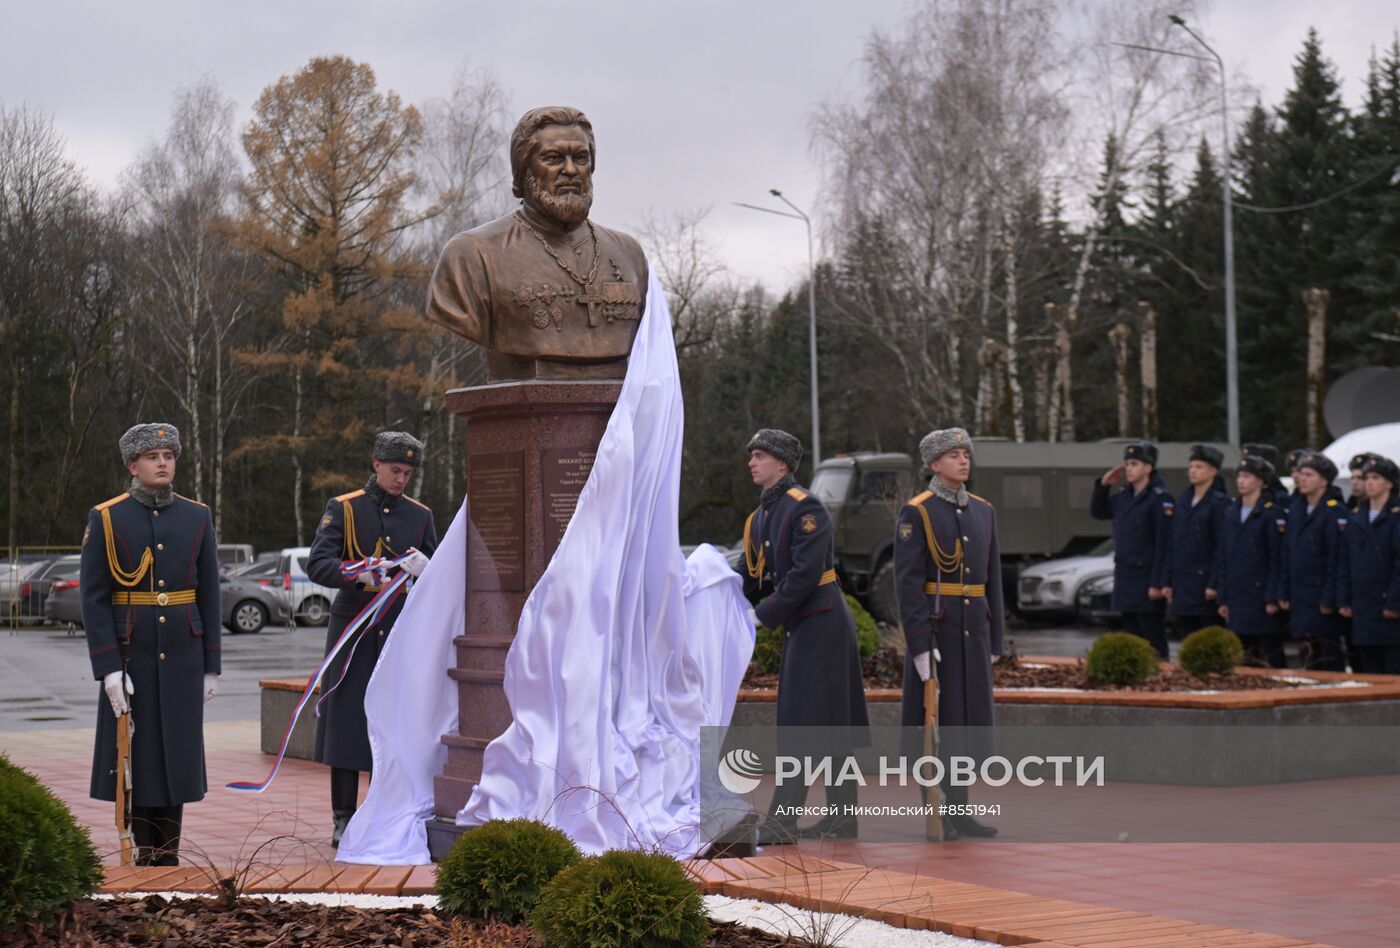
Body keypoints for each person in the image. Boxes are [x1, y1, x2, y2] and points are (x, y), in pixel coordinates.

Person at [81, 423, 221, 866]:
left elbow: (210, 593)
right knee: (136, 752)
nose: (163, 463)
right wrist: (107, 667)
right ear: (132, 465)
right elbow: (95, 596)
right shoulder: (107, 517)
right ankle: (145, 850)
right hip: (132, 652)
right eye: (153, 456)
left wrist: (211, 665)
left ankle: (169, 852)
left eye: (169, 455)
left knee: (176, 750)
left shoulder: (197, 515)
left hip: (183, 650)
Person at [425, 106, 648, 381]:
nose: (570, 170)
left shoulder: (629, 254)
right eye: (553, 158)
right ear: (524, 169)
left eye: (580, 158)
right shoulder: (473, 255)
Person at [740, 428, 869, 843]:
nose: (752, 462)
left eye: (759, 455)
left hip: (823, 622)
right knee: (826, 724)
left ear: (782, 463)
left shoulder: (804, 507)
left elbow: (804, 576)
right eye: (752, 456)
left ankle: (783, 820)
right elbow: (751, 572)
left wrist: (763, 616)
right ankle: (842, 817)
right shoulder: (762, 515)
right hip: (806, 623)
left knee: (803, 724)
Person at [309, 431, 438, 846]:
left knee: (396, 721)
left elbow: (439, 580)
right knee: (347, 722)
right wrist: (356, 573)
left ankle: (388, 806)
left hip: (399, 629)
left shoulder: (420, 516)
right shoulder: (344, 509)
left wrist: (426, 568)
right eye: (395, 470)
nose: (401, 479)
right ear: (376, 465)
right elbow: (319, 564)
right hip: (354, 628)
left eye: (408, 472)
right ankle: (343, 815)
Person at [894, 427, 1003, 840]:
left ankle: (961, 810)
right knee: (934, 726)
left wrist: (995, 639)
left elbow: (992, 580)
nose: (963, 460)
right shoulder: (917, 512)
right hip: (938, 634)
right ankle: (937, 812)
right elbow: (907, 585)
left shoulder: (983, 510)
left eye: (966, 453)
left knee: (965, 726)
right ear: (934, 464)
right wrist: (920, 646)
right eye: (954, 454)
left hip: (972, 633)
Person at [1091, 442, 1174, 659]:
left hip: (1147, 578)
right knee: (1131, 633)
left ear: (1148, 468)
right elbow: (1098, 512)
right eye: (1127, 464)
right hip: (1126, 576)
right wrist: (1103, 485)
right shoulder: (1124, 497)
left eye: (1134, 464)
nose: (1128, 468)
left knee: (1152, 636)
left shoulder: (1159, 499)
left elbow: (1164, 545)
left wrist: (1158, 583)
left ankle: (1159, 678)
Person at [1278, 453, 1348, 670]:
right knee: (1307, 657)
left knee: (1327, 655)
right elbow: (1288, 554)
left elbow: (1336, 560)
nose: (1302, 478)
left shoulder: (1334, 511)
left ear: (1324, 481)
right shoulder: (1297, 509)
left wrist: (1329, 598)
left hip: (1321, 598)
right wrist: (1284, 591)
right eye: (1300, 474)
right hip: (1300, 596)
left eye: (1309, 474)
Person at [1216, 455, 1287, 667]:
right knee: (1243, 657)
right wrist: (1223, 597)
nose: (1241, 481)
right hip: (1238, 595)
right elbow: (1224, 558)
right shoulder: (1231, 512)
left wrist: (1273, 597)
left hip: (1261, 595)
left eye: (1247, 476)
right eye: (1239, 476)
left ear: (1261, 481)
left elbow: (1277, 559)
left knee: (1269, 655)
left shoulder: (1271, 513)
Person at [1338, 455, 1400, 675]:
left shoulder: (1395, 517)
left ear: (1390, 483)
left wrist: (1394, 603)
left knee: (1392, 670)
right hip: (1363, 608)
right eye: (1367, 478)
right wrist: (1344, 598)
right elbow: (1345, 561)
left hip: (1389, 612)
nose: (1369, 483)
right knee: (1368, 670)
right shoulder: (1356, 517)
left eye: (1376, 478)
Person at [1164, 444, 1229, 635]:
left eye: (1199, 467)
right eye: (1191, 467)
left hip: (1204, 583)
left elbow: (1221, 548)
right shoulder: (1184, 500)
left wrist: (1214, 583)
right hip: (1183, 583)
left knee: (1209, 637)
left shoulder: (1219, 503)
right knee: (1187, 635)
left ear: (1213, 471)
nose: (1193, 471)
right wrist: (1167, 581)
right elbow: (1173, 542)